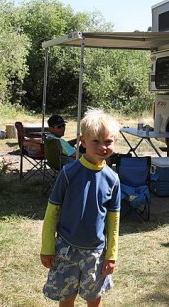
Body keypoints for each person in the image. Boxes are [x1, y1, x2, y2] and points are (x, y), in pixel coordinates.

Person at [40, 108, 121, 307]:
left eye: (108, 141)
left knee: (94, 298)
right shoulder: (68, 173)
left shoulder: (113, 179)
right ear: (83, 141)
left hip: (96, 253)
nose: (103, 147)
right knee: (67, 298)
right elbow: (52, 212)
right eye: (96, 141)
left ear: (114, 142)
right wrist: (47, 247)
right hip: (66, 249)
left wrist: (111, 255)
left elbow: (114, 220)